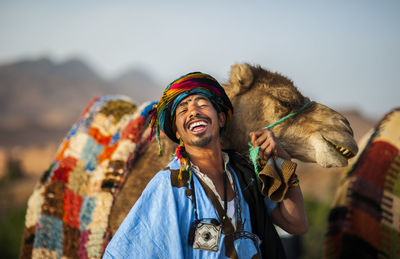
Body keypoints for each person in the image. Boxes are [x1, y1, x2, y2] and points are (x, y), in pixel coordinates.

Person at [103, 72, 308, 258]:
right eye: (183, 109)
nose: (193, 111)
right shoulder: (168, 184)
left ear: (220, 119)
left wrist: (283, 161)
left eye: (201, 104)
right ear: (177, 132)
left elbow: (296, 224)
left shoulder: (245, 174)